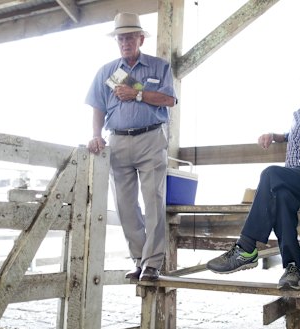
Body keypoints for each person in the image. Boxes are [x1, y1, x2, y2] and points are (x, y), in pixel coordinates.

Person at [206, 64, 300, 290]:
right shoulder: (299, 115)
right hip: (294, 182)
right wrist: (274, 136)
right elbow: (294, 136)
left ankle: (246, 247)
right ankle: (293, 268)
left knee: (270, 173)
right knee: (282, 196)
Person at [86, 12, 177, 281]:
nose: (125, 42)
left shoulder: (159, 67)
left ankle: (152, 263)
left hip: (151, 139)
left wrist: (137, 93)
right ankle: (139, 259)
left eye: (129, 37)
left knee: (153, 200)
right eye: (120, 38)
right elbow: (98, 107)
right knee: (125, 206)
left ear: (141, 39)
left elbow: (169, 100)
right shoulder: (107, 71)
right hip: (117, 140)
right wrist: (95, 134)